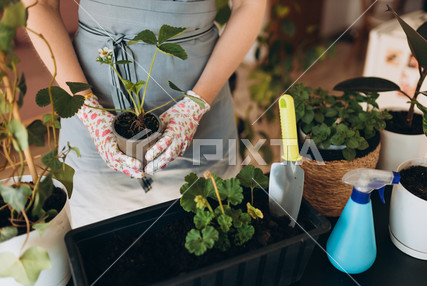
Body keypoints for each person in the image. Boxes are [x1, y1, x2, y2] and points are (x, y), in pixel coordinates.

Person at [24, 0, 266, 228]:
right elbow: (39, 4)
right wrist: (89, 110)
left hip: (204, 117)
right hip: (91, 120)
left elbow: (249, 5)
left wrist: (195, 106)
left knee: (212, 232)